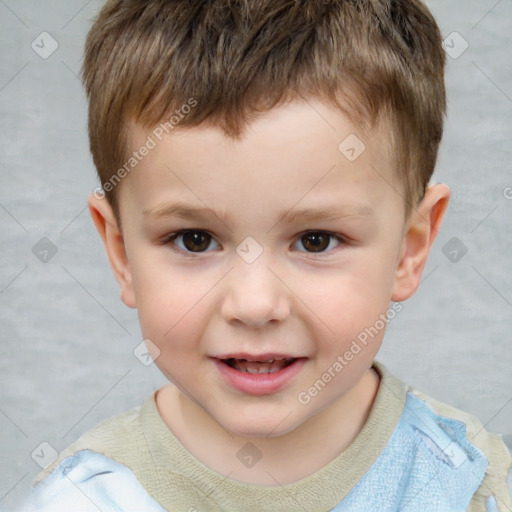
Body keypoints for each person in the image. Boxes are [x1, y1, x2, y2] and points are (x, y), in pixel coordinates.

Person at [14, 0, 512, 510]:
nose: (254, 305)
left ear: (411, 249)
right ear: (121, 253)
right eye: (195, 239)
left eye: (316, 240)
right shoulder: (83, 501)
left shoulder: (469, 485)